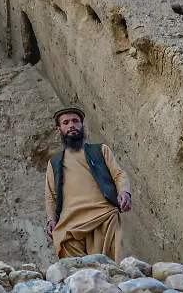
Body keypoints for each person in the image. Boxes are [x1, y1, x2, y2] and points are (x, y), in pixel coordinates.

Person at [45, 107, 132, 262]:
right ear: (59, 129)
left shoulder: (100, 150)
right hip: (70, 220)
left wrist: (124, 192)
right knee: (76, 269)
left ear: (82, 125)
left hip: (103, 214)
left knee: (109, 266)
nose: (71, 125)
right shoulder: (54, 163)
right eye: (66, 122)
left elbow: (118, 174)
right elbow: (51, 195)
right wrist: (51, 220)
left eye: (75, 121)